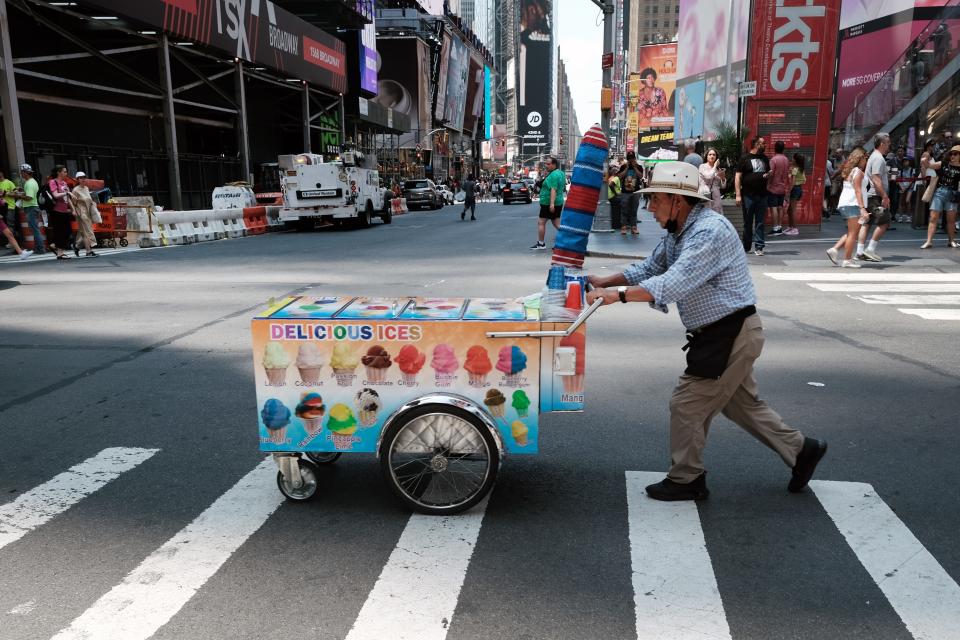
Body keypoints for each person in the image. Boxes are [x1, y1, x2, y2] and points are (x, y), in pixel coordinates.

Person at [585, 161, 827, 501]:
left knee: (687, 404)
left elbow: (672, 282)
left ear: (677, 201)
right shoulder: (679, 231)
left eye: (654, 200)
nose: (650, 208)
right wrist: (604, 280)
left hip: (729, 334)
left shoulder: (709, 232)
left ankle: (687, 478)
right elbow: (651, 267)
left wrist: (616, 296)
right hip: (723, 333)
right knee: (740, 404)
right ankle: (802, 450)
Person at [826, 147, 870, 268]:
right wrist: (862, 208)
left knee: (852, 232)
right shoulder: (858, 172)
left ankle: (835, 250)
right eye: (865, 158)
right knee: (853, 234)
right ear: (860, 158)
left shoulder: (850, 170)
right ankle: (847, 260)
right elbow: (858, 191)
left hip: (847, 204)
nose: (866, 160)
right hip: (853, 204)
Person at [857, 132, 893, 262]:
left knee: (867, 223)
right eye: (888, 143)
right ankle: (870, 250)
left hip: (870, 195)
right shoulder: (878, 158)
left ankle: (860, 251)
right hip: (875, 196)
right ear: (882, 144)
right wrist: (884, 196)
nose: (889, 145)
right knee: (885, 221)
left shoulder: (874, 156)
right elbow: (876, 177)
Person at [735, 136, 770, 256]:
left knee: (760, 222)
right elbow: (738, 177)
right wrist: (738, 195)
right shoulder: (744, 158)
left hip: (762, 195)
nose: (765, 145)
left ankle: (759, 246)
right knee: (748, 222)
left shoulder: (765, 159)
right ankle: (746, 246)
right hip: (748, 195)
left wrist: (767, 176)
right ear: (756, 144)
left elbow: (767, 173)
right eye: (763, 143)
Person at [920, 145, 960, 249]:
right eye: (951, 153)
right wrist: (925, 160)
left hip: (953, 194)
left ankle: (951, 241)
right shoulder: (943, 164)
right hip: (940, 192)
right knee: (933, 217)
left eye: (955, 154)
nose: (952, 156)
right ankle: (929, 241)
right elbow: (929, 165)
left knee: (951, 220)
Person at [530, 157, 565, 249]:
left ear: (554, 164)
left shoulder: (553, 175)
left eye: (548, 164)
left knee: (541, 222)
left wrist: (551, 204)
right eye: (546, 163)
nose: (546, 165)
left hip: (548, 202)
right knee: (556, 223)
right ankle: (567, 241)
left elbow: (553, 189)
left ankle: (541, 243)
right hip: (558, 201)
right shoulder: (561, 173)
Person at [17, 164, 45, 255]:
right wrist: (22, 191)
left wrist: (16, 195)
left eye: (22, 172)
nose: (21, 174)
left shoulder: (29, 183)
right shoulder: (32, 182)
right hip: (32, 207)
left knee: (35, 229)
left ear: (26, 173)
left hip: (31, 208)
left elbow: (29, 197)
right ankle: (38, 248)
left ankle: (40, 249)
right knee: (34, 228)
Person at [69, 171, 99, 257]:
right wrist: (74, 211)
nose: (83, 179)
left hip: (88, 211)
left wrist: (93, 203)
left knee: (83, 231)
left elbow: (88, 199)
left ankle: (77, 246)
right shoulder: (75, 190)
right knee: (87, 230)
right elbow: (73, 202)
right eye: (81, 178)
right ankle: (89, 250)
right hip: (81, 212)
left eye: (84, 177)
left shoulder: (86, 188)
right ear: (77, 180)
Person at [46, 166, 73, 259]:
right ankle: (60, 253)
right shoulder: (53, 182)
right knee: (60, 232)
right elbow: (55, 195)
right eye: (64, 172)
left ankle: (54, 245)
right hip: (56, 211)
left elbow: (68, 199)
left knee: (68, 231)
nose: (66, 173)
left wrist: (73, 209)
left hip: (64, 210)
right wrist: (66, 193)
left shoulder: (64, 183)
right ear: (59, 172)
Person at [766, 141, 790, 236]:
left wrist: (767, 184)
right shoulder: (786, 159)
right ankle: (779, 227)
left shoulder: (773, 160)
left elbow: (770, 174)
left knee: (773, 208)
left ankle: (775, 228)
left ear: (775, 148)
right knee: (780, 207)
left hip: (774, 187)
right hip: (782, 187)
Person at [617, 151, 643, 235]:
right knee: (624, 209)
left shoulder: (639, 167)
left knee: (634, 210)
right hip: (625, 192)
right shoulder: (623, 166)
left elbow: (641, 176)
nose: (630, 160)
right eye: (629, 159)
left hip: (635, 192)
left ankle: (634, 227)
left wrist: (635, 167)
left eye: (632, 158)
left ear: (634, 158)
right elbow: (619, 177)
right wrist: (626, 168)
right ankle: (623, 227)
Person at [697, 148, 726, 212]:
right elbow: (708, 176)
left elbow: (723, 186)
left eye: (714, 155)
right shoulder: (702, 166)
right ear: (706, 156)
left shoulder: (718, 169)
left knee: (716, 215)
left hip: (716, 196)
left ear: (716, 157)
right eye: (710, 154)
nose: (712, 156)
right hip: (705, 193)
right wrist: (715, 166)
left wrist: (723, 179)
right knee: (705, 214)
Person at [783, 153, 805, 235]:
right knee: (789, 210)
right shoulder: (800, 169)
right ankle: (790, 227)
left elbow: (792, 182)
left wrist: (788, 192)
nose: (791, 159)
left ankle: (795, 229)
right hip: (798, 189)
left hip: (794, 189)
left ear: (795, 160)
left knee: (793, 210)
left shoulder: (795, 169)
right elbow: (803, 180)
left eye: (793, 158)